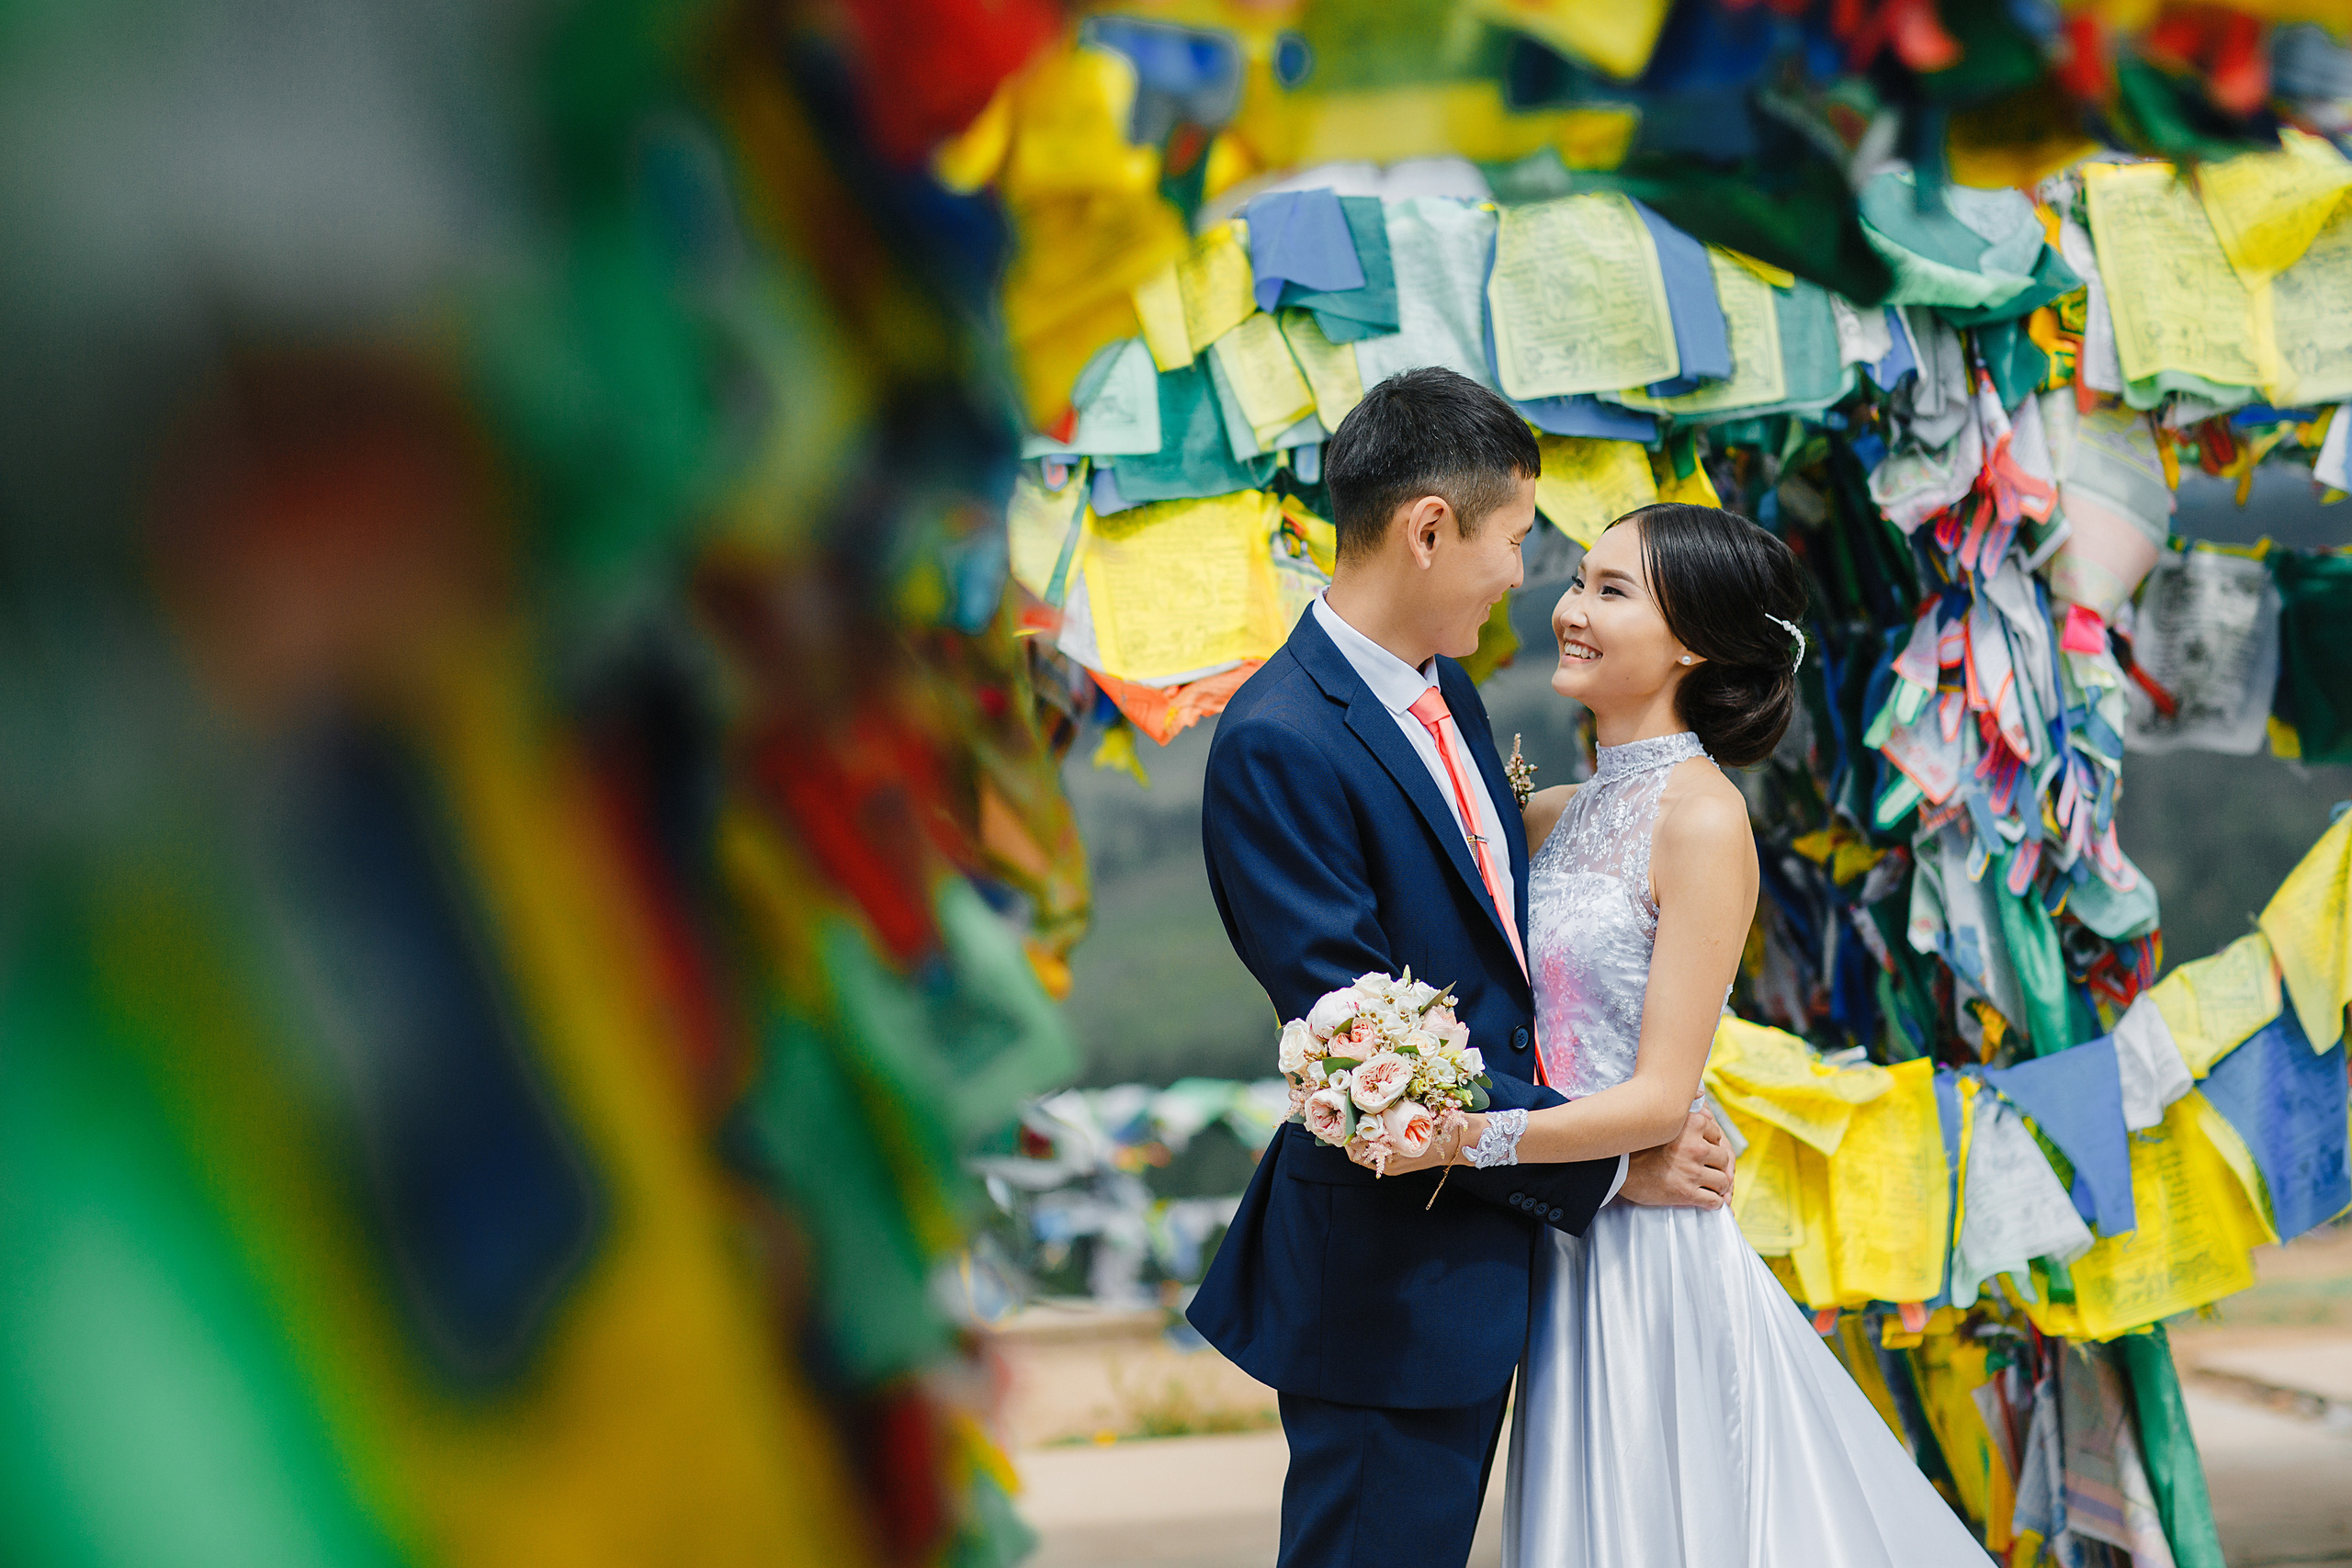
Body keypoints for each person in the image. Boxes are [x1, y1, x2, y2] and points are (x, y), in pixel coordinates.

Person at [1184, 367, 1736, 1568]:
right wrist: (1608, 1156)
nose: (1526, 578)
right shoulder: (1280, 741)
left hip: (1488, 1264)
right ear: (1430, 527)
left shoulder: (1452, 692)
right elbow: (1369, 1046)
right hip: (1391, 1275)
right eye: (1520, 541)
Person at [1382, 502, 1988, 1564]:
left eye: (1612, 593)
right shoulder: (1546, 813)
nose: (1569, 609)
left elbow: (1662, 1100)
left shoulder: (1703, 819)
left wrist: (1451, 1135)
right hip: (1562, 1231)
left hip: (1647, 1250)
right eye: (1578, 580)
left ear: (1694, 642)